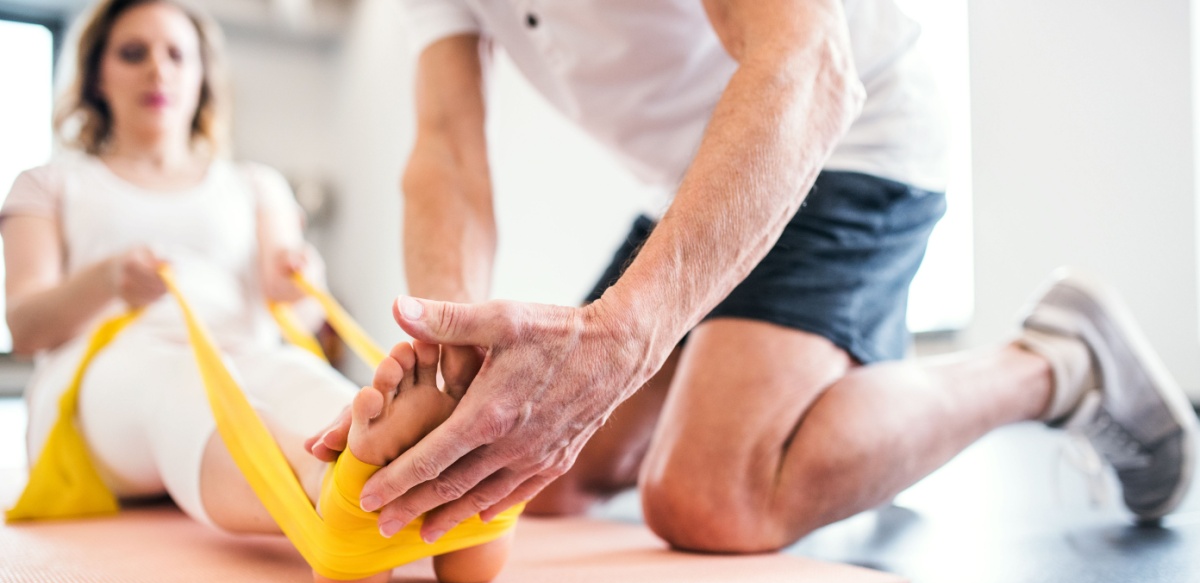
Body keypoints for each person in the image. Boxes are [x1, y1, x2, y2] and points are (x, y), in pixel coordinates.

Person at [309, 0, 1195, 551]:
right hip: (696, 179)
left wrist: (624, 336)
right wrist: (446, 364)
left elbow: (806, 64)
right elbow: (448, 151)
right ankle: (838, 405)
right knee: (543, 476)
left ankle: (1057, 358)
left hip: (850, 137)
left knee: (713, 499)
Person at [1, 0, 509, 583]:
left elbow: (296, 311)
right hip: (106, 373)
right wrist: (106, 280)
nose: (157, 72)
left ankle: (426, 482)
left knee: (310, 381)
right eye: (133, 54)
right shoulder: (50, 183)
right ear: (95, 76)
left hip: (245, 348)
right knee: (187, 389)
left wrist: (296, 279)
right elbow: (24, 325)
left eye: (176, 55)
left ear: (202, 76)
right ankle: (332, 494)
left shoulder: (253, 185)